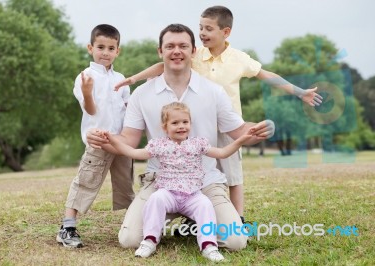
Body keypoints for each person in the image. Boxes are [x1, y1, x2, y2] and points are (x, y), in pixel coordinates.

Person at [114, 6, 322, 225]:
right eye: (200, 28)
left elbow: (266, 75)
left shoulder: (239, 58)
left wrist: (299, 92)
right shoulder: (196, 54)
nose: (203, 33)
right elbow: (161, 65)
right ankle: (193, 217)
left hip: (230, 124)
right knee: (192, 167)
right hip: (198, 123)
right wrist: (133, 79)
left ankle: (238, 218)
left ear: (226, 32)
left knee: (232, 174)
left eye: (209, 29)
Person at [87, 23, 275, 251]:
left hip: (205, 181)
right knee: (130, 240)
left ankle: (199, 218)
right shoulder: (142, 94)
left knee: (235, 242)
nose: (177, 51)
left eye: (183, 46)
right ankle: (180, 222)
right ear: (160, 52)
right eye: (170, 46)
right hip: (160, 182)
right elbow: (129, 140)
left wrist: (261, 129)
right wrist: (107, 139)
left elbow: (240, 130)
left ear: (193, 51)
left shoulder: (213, 91)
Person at [103, 102, 260, 261]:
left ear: (190, 124)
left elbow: (222, 152)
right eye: (175, 123)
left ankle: (208, 245)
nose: (181, 126)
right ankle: (150, 240)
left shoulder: (198, 143)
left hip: (192, 195)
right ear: (165, 127)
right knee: (156, 199)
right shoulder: (160, 145)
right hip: (168, 193)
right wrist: (111, 140)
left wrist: (240, 141)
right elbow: (133, 152)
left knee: (205, 204)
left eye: (185, 122)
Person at [56, 24, 134, 248]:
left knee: (125, 185)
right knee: (86, 182)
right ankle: (67, 227)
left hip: (120, 142)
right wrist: (88, 93)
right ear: (91, 48)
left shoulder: (121, 78)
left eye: (111, 48)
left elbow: (128, 110)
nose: (105, 52)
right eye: (100, 47)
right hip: (98, 141)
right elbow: (89, 110)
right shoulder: (85, 77)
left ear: (118, 51)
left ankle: (136, 225)